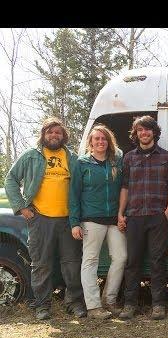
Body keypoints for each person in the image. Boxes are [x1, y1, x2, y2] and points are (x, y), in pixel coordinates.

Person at [4, 117, 85, 320]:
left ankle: (74, 303)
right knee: (41, 264)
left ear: (63, 136)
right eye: (50, 132)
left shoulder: (73, 158)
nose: (54, 135)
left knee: (72, 263)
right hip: (40, 219)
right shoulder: (31, 156)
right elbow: (11, 179)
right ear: (43, 135)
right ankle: (42, 306)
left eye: (58, 132)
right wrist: (22, 207)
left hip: (68, 219)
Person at [117, 116, 168, 321]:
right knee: (132, 262)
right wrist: (121, 213)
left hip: (157, 216)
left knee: (157, 261)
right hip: (134, 216)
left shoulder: (167, 158)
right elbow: (124, 187)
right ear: (136, 134)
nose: (144, 133)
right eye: (140, 130)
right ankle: (130, 304)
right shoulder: (129, 158)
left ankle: (158, 305)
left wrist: (167, 212)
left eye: (148, 130)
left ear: (154, 132)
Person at [69, 124, 126, 320]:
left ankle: (109, 300)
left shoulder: (116, 162)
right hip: (91, 219)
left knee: (120, 257)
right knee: (90, 261)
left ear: (109, 142)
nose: (100, 142)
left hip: (113, 219)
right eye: (97, 139)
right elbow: (74, 195)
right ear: (90, 142)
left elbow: (123, 189)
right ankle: (93, 306)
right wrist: (74, 222)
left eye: (104, 139)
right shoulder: (82, 163)